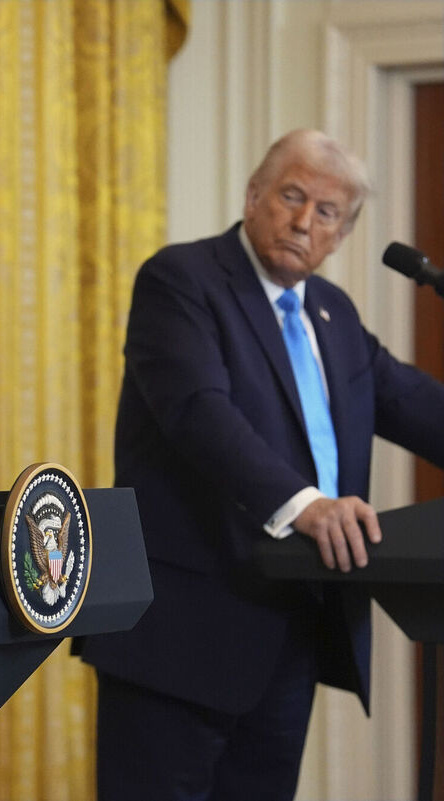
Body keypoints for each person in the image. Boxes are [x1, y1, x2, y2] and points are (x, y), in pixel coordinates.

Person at [78, 129, 444, 801]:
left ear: (341, 235)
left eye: (327, 212)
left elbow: (412, 403)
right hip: (180, 635)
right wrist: (308, 506)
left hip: (287, 632)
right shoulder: (182, 280)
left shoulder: (333, 314)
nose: (304, 222)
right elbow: (199, 413)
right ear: (253, 196)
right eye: (292, 196)